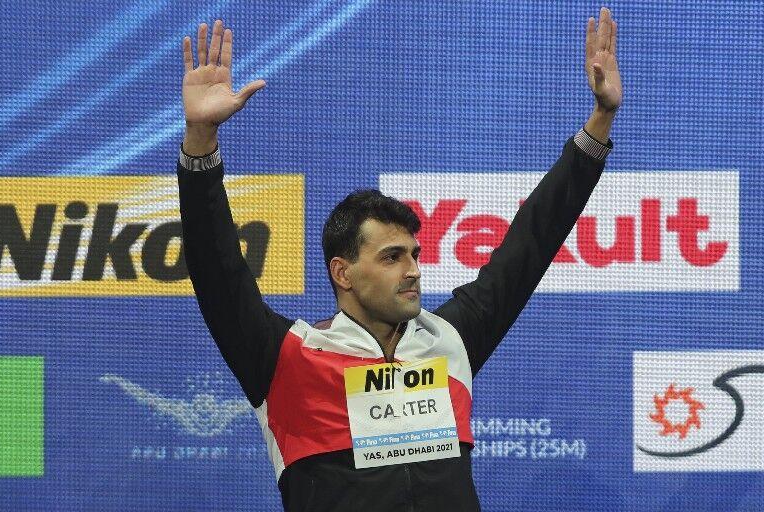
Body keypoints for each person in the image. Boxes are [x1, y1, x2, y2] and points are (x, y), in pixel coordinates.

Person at [177, 7, 621, 511]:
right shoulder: (286, 357)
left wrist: (600, 121)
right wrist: (201, 141)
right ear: (342, 272)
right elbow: (216, 268)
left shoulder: (448, 338)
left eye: (414, 254)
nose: (412, 269)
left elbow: (532, 241)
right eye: (391, 257)